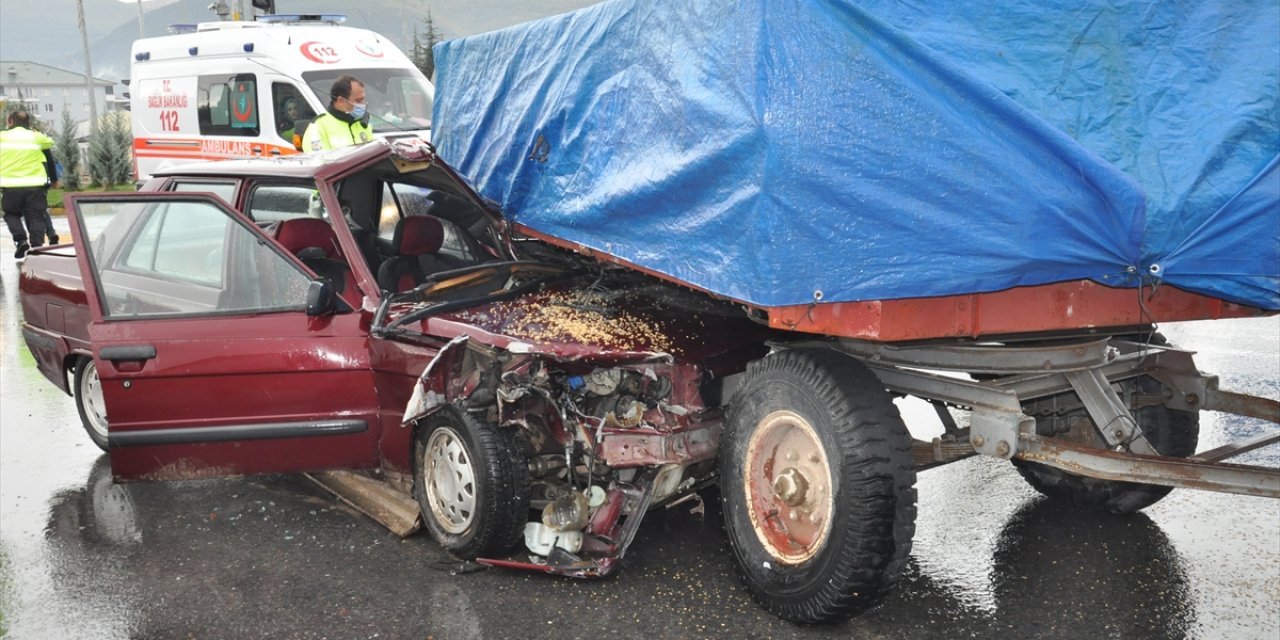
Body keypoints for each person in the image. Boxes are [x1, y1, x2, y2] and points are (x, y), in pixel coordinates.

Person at [1, 111, 58, 259]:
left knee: (12, 214)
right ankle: (37, 247)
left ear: (10, 121)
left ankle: (21, 241)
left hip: (10, 185)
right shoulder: (36, 136)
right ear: (28, 123)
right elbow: (50, 142)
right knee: (37, 217)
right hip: (35, 185)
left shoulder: (2, 136)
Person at [301, 75, 373, 152]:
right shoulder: (318, 127)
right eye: (358, 101)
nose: (363, 105)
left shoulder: (362, 123)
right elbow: (318, 162)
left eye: (363, 100)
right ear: (341, 101)